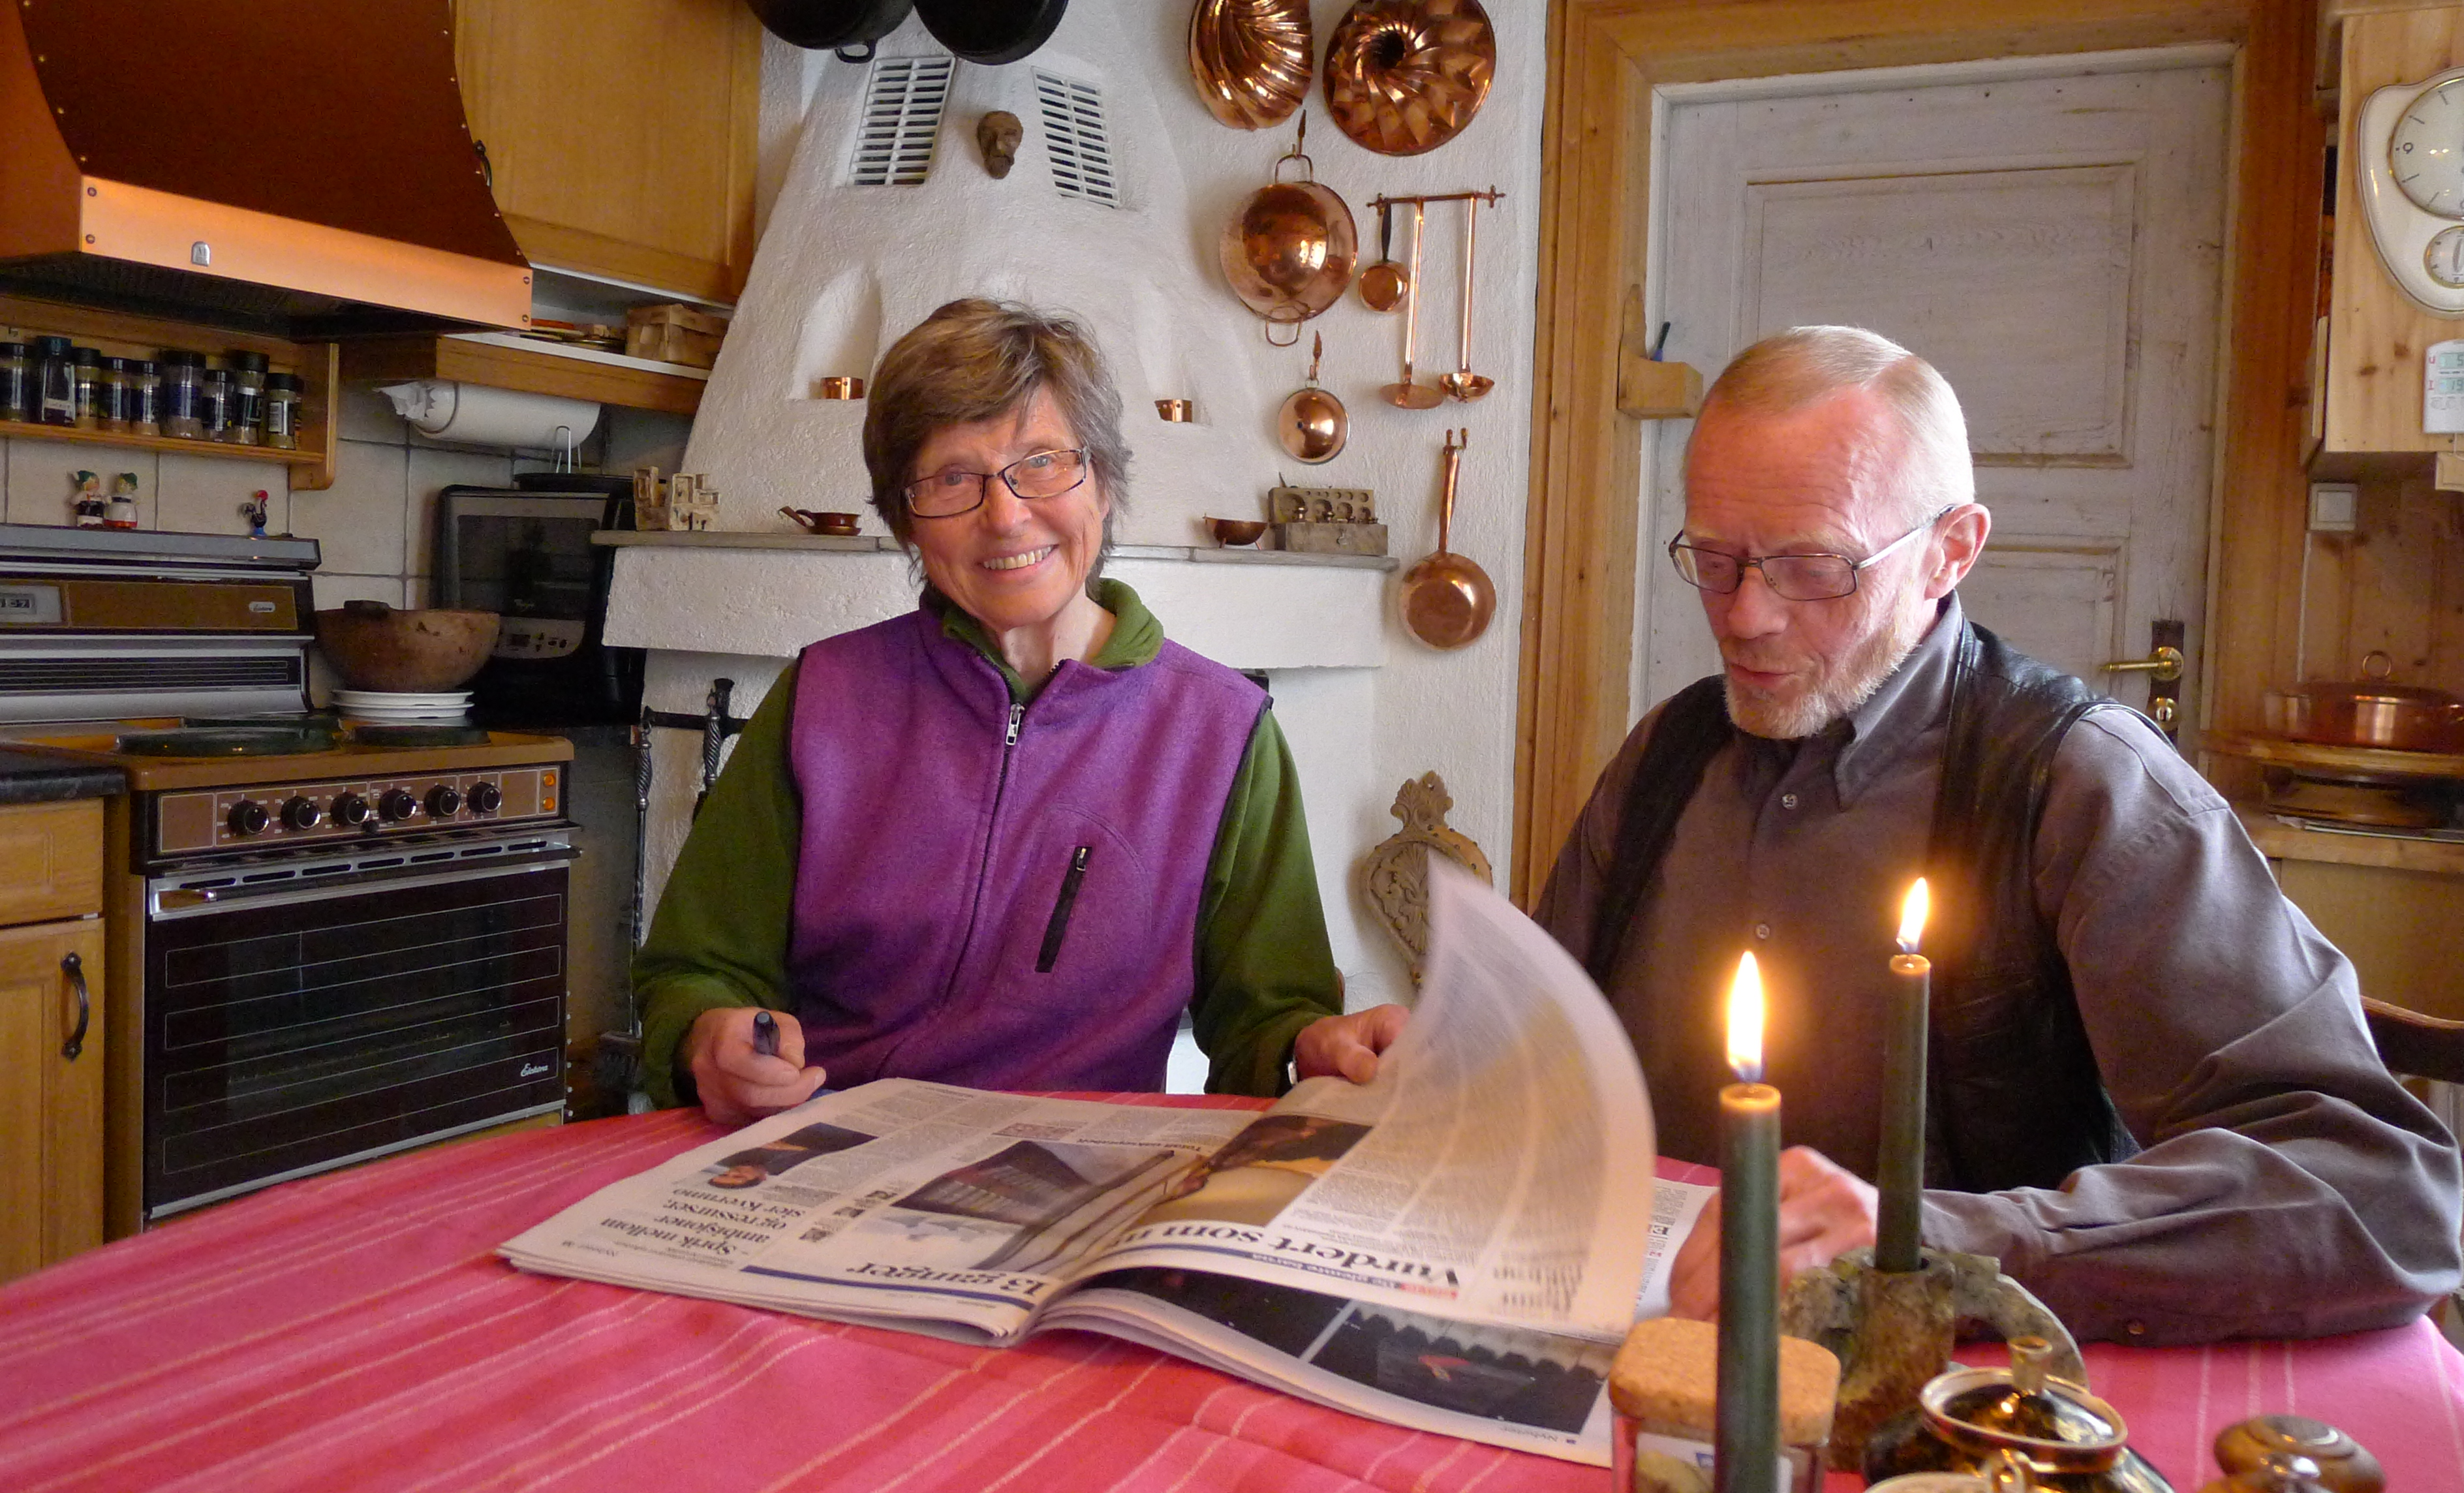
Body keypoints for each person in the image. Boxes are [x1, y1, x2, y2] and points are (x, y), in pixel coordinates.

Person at [1535, 325, 2462, 1344]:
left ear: (1952, 551)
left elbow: (2385, 1195)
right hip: (1643, 1339)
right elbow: (1541, 1055)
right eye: (1716, 560)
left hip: (1960, 1389)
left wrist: (1938, 1243)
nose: (1745, 617)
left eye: (1813, 567)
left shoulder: (2079, 785)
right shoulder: (1670, 754)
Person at [636, 299, 1406, 1124]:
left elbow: (1266, 1020)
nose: (1004, 516)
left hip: (1083, 1165)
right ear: (907, 522)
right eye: (952, 478)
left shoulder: (1222, 733)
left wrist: (1309, 1050)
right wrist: (708, 1038)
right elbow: (695, 972)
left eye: (1041, 462)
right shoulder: (822, 699)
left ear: (1102, 485)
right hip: (827, 1148)